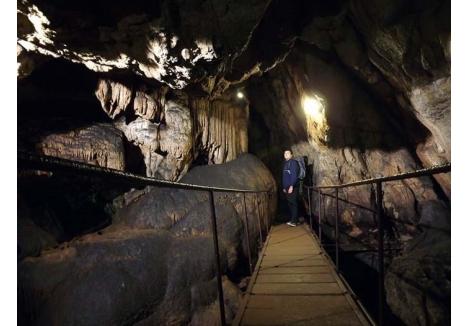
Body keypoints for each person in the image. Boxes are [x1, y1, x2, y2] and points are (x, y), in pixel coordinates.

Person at [282, 149, 299, 227]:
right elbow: (285, 177)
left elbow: (294, 175)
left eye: (288, 153)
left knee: (293, 203)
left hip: (292, 186)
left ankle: (294, 221)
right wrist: (284, 187)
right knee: (290, 203)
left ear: (291, 155)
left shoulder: (293, 163)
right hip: (287, 187)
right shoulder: (286, 163)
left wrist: (292, 186)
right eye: (285, 153)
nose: (286, 154)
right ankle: (294, 219)